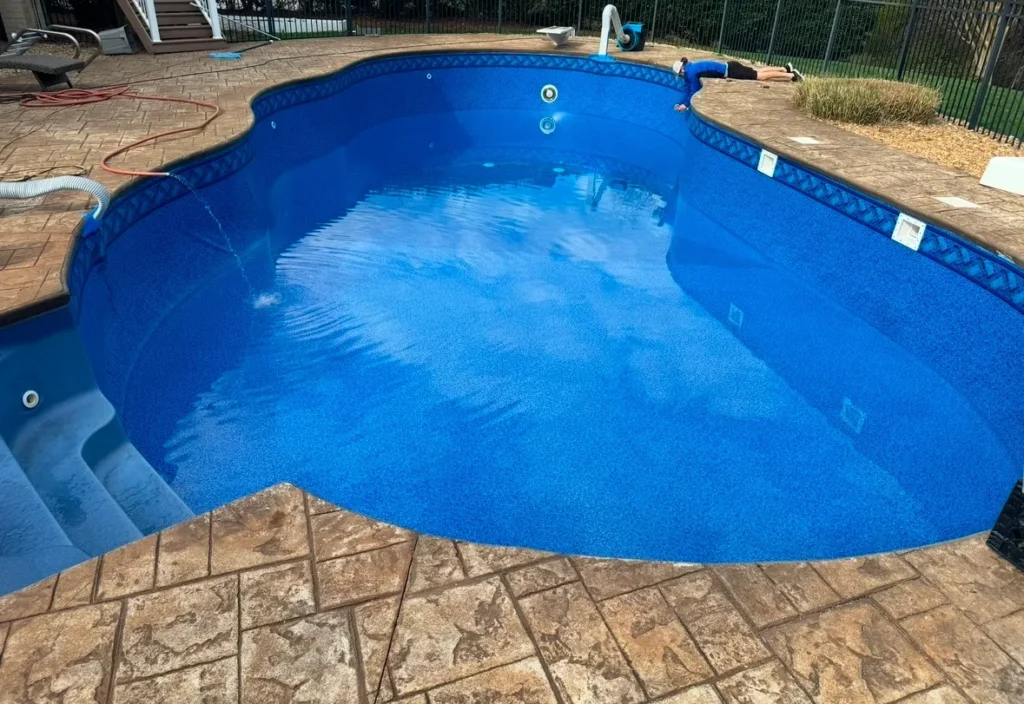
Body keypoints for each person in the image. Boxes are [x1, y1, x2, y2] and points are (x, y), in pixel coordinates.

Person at [672, 57, 803, 112]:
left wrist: (685, 105)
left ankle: (791, 76)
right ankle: (785, 69)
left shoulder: (691, 73)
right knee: (757, 72)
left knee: (760, 77)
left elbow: (694, 90)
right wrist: (681, 102)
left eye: (679, 74)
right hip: (731, 65)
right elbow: (687, 87)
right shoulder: (691, 67)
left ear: (681, 70)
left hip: (732, 71)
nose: (681, 76)